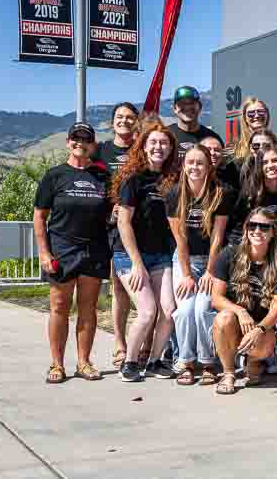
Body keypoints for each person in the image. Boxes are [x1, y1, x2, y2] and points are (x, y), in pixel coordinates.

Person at [35, 122, 111, 383]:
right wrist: (44, 252)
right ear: (68, 142)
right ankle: (56, 364)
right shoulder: (54, 176)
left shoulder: (102, 176)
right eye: (76, 139)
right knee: (59, 306)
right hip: (62, 249)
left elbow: (114, 212)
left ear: (93, 145)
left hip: (94, 249)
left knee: (88, 307)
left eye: (86, 139)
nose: (81, 143)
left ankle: (83, 362)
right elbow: (39, 216)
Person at [110, 119, 179, 382]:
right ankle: (129, 362)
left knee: (169, 310)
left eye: (164, 143)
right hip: (130, 256)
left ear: (170, 148)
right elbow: (123, 222)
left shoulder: (172, 180)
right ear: (144, 146)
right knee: (148, 311)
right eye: (153, 142)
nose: (159, 147)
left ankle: (155, 361)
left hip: (161, 255)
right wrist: (137, 263)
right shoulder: (133, 180)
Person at [165, 145, 235, 386]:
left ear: (208, 167)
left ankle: (207, 362)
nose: (194, 167)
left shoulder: (221, 193)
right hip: (184, 260)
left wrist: (209, 271)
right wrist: (186, 274)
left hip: (211, 261)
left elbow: (218, 236)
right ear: (184, 166)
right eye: (190, 163)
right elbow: (180, 238)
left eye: (200, 163)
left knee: (203, 309)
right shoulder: (175, 194)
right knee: (184, 310)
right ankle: (185, 361)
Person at [209, 207, 277, 394]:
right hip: (235, 323)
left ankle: (253, 361)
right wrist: (241, 311)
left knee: (265, 342)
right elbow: (216, 298)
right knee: (223, 318)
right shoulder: (229, 255)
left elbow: (276, 309)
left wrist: (259, 330)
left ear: (272, 234)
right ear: (245, 229)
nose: (257, 231)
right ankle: (229, 372)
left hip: (261, 324)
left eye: (264, 227)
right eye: (252, 226)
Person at [93, 102, 139, 369]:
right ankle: (120, 343)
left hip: (139, 225)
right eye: (120, 117)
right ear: (112, 122)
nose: (124, 121)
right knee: (118, 287)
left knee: (141, 289)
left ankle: (143, 341)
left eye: (130, 117)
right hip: (110, 226)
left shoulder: (140, 149)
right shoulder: (102, 151)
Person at [227, 145, 277, 252]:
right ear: (259, 167)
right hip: (253, 248)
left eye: (275, 160)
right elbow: (238, 227)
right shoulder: (249, 193)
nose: (270, 165)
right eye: (265, 162)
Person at [166, 85, 221, 160]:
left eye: (192, 103)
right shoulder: (166, 135)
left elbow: (223, 167)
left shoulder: (212, 137)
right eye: (182, 103)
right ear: (175, 109)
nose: (187, 107)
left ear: (200, 106)